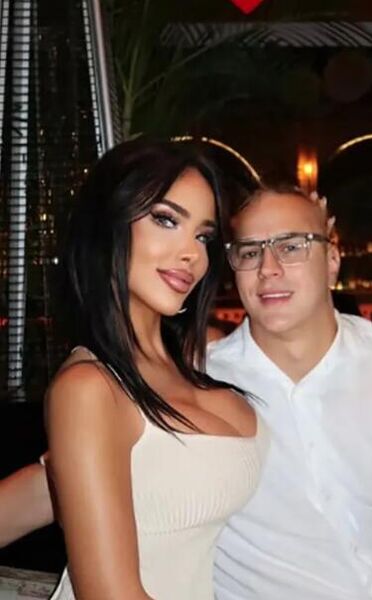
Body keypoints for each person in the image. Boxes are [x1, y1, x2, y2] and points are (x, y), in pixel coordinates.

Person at [2, 184, 372, 600]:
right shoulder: (197, 384)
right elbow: (61, 482)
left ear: (333, 260)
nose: (269, 268)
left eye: (292, 245)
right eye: (250, 251)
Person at [44, 138, 267, 600]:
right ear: (108, 224)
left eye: (203, 236)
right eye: (166, 220)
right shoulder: (89, 388)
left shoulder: (195, 358)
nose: (193, 254)